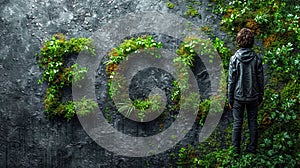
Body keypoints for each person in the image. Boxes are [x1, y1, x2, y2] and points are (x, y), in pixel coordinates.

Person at [228, 28, 264, 155]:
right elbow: (261, 80)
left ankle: (235, 151)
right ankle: (252, 150)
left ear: (238, 41)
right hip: (253, 97)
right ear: (252, 42)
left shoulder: (234, 59)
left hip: (238, 97)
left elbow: (231, 81)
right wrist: (261, 96)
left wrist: (230, 98)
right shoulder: (257, 59)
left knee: (237, 123)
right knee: (253, 122)